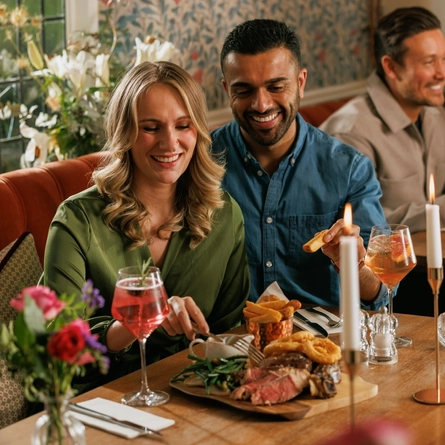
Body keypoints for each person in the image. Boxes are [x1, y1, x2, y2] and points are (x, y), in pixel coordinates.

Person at [43, 61, 250, 385]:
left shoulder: (225, 215)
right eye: (151, 127)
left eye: (183, 125)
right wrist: (134, 322)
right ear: (124, 132)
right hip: (97, 405)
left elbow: (230, 336)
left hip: (195, 396)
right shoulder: (76, 222)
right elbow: (60, 352)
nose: (170, 143)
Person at [211, 19, 387, 309]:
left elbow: (380, 293)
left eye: (276, 86)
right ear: (226, 89)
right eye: (243, 91)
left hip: (323, 343)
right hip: (228, 345)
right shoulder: (197, 163)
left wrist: (354, 267)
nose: (261, 104)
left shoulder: (350, 169)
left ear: (301, 83)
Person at [320, 7, 445, 233]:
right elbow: (356, 224)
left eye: (444, 59)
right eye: (429, 62)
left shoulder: (436, 115)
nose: (442, 73)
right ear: (390, 67)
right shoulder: (349, 133)